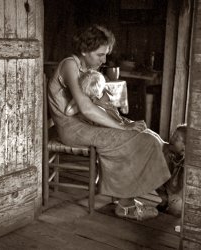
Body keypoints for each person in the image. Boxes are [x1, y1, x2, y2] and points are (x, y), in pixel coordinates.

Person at [48, 24, 171, 220]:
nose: (104, 60)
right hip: (71, 128)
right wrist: (123, 125)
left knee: (150, 136)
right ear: (84, 51)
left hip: (87, 122)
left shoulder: (88, 67)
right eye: (99, 55)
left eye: (106, 54)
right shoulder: (69, 65)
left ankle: (161, 194)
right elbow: (85, 107)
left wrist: (117, 116)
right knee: (133, 137)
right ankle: (126, 204)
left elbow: (97, 101)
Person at [65, 69, 138, 127]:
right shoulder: (103, 95)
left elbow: (68, 112)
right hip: (114, 122)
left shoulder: (91, 101)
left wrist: (78, 94)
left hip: (111, 123)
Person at [156, 124, 187, 217]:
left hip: (180, 193)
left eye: (177, 138)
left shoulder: (188, 161)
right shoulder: (167, 151)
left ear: (184, 147)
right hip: (168, 189)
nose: (172, 139)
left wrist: (178, 197)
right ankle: (164, 200)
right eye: (173, 134)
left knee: (177, 208)